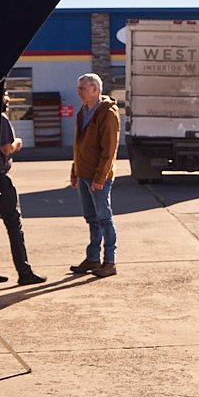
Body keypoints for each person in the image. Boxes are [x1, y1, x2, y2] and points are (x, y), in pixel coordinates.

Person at [67, 73, 120, 279]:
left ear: (95, 90)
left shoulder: (108, 113)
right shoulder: (84, 110)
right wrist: (75, 171)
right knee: (91, 218)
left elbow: (110, 150)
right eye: (79, 88)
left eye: (82, 88)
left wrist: (100, 177)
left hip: (99, 177)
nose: (78, 92)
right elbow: (79, 145)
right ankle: (92, 258)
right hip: (84, 173)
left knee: (104, 218)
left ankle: (110, 261)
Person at [0, 109, 46, 286]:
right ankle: (24, 272)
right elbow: (6, 148)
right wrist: (17, 143)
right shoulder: (0, 118)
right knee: (13, 224)